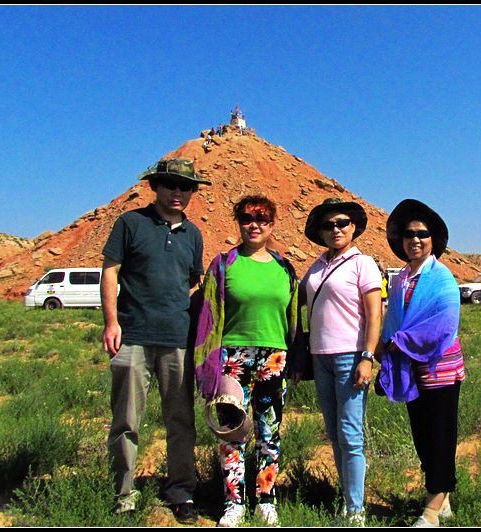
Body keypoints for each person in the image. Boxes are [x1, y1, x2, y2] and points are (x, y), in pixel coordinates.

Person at [102, 158, 212, 523]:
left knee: (180, 420)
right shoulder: (130, 223)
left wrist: (198, 329)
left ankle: (181, 490)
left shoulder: (193, 234)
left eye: (185, 187)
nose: (178, 193)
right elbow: (110, 272)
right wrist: (111, 322)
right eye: (171, 185)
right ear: (155, 187)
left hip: (177, 339)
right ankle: (123, 493)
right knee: (126, 421)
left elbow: (195, 282)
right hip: (132, 334)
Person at [193, 195, 300, 527]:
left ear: (272, 224)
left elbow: (294, 317)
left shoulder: (285, 268)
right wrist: (206, 366)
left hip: (274, 359)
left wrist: (294, 360)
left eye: (263, 219)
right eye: (247, 218)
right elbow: (208, 318)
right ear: (237, 222)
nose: (255, 224)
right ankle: (233, 502)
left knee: (269, 431)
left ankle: (266, 499)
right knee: (231, 432)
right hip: (232, 359)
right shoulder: (224, 264)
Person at [292, 198, 382, 525]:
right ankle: (346, 496)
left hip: (351, 356)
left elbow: (374, 314)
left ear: (354, 226)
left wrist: (367, 357)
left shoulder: (363, 264)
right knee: (334, 431)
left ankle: (355, 509)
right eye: (328, 225)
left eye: (342, 223)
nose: (336, 229)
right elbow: (296, 301)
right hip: (320, 357)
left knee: (351, 432)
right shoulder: (316, 266)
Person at [376, 199, 465, 528]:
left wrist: (397, 342)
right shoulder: (400, 278)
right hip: (411, 371)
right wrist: (385, 348)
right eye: (409, 234)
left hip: (439, 367)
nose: (415, 239)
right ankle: (443, 497)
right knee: (423, 435)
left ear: (433, 239)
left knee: (441, 435)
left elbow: (443, 324)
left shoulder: (442, 278)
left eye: (422, 234)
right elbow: (393, 319)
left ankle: (430, 511)